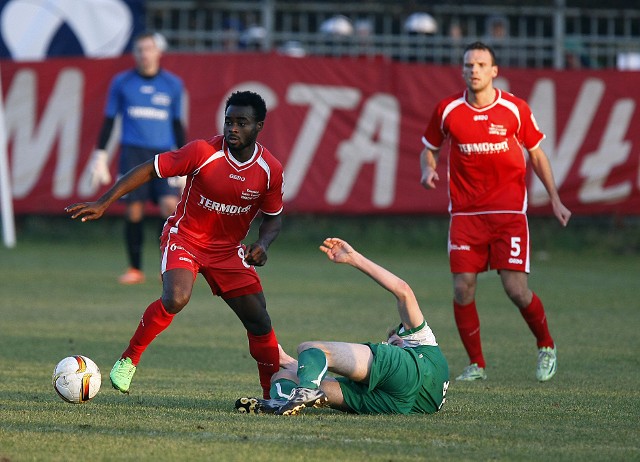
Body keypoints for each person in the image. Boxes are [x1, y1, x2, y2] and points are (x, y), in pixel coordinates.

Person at [67, 91, 284, 399]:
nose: (232, 128)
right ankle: (129, 359)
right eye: (229, 121)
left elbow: (274, 219)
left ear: (258, 126)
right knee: (176, 297)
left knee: (260, 320)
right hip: (185, 238)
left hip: (227, 251)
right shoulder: (202, 151)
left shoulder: (269, 170)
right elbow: (148, 169)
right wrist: (104, 203)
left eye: (241, 122)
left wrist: (263, 243)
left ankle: (271, 396)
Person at [419, 41, 572, 382]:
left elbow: (537, 155)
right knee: (463, 289)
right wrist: (426, 169)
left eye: (480, 64)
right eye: (468, 65)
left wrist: (556, 199)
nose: (474, 70)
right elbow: (428, 149)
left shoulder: (514, 109)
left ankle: (546, 345)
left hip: (508, 215)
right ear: (462, 70)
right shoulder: (448, 110)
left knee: (516, 289)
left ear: (494, 71)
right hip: (465, 216)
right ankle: (477, 364)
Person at [235, 237, 449, 416]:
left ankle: (304, 391)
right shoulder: (418, 371)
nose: (386, 344)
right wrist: (287, 361)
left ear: (404, 337)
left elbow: (403, 290)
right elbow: (316, 372)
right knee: (283, 376)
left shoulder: (421, 342)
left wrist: (353, 258)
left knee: (312, 348)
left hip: (413, 374)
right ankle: (282, 403)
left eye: (392, 342)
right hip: (406, 405)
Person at [88, 31, 186, 285]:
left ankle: (167, 266)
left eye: (149, 49)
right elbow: (110, 120)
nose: (145, 54)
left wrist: (186, 162)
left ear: (158, 52)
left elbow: (177, 124)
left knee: (169, 208)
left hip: (164, 155)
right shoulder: (122, 83)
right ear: (135, 54)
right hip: (133, 153)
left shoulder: (172, 84)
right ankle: (134, 268)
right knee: (133, 210)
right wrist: (100, 155)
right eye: (140, 49)